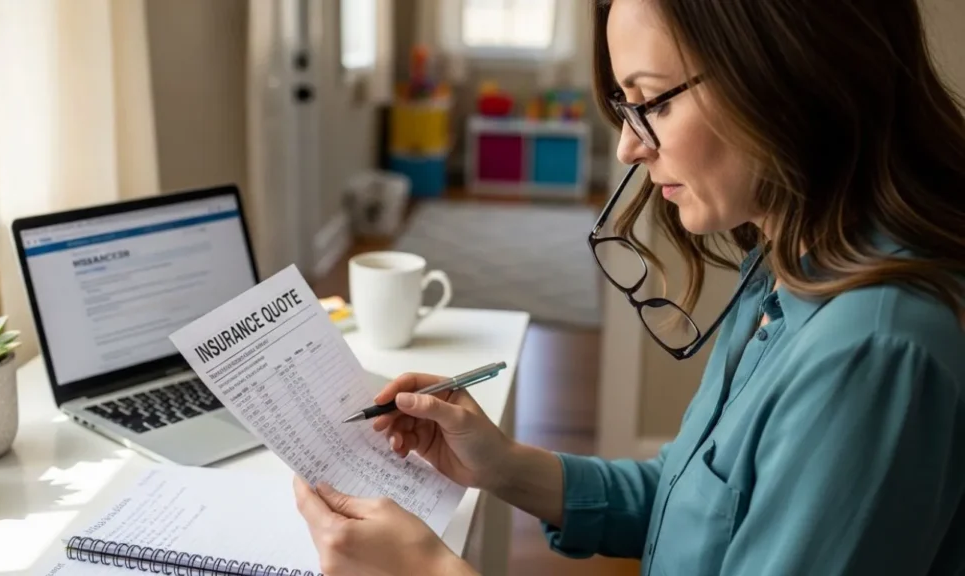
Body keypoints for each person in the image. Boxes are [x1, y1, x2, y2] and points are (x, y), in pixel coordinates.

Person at [293, 0, 965, 573]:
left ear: (789, 71)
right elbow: (689, 505)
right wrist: (502, 465)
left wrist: (431, 568)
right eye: (626, 105)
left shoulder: (872, 353)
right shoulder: (784, 266)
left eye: (654, 103)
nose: (627, 148)